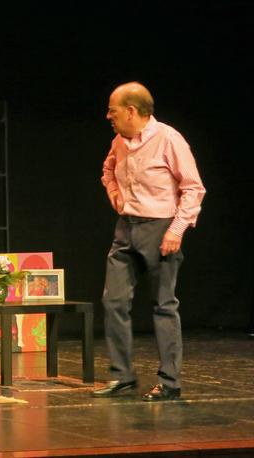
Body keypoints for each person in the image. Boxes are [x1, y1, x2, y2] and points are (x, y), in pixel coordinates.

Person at [92, 82, 206, 402]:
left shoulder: (169, 139)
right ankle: (122, 375)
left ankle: (169, 381)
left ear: (131, 111)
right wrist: (114, 193)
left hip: (160, 228)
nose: (108, 116)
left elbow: (193, 188)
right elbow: (107, 170)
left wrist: (176, 230)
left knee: (163, 305)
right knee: (113, 301)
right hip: (126, 227)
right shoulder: (119, 141)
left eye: (113, 111)